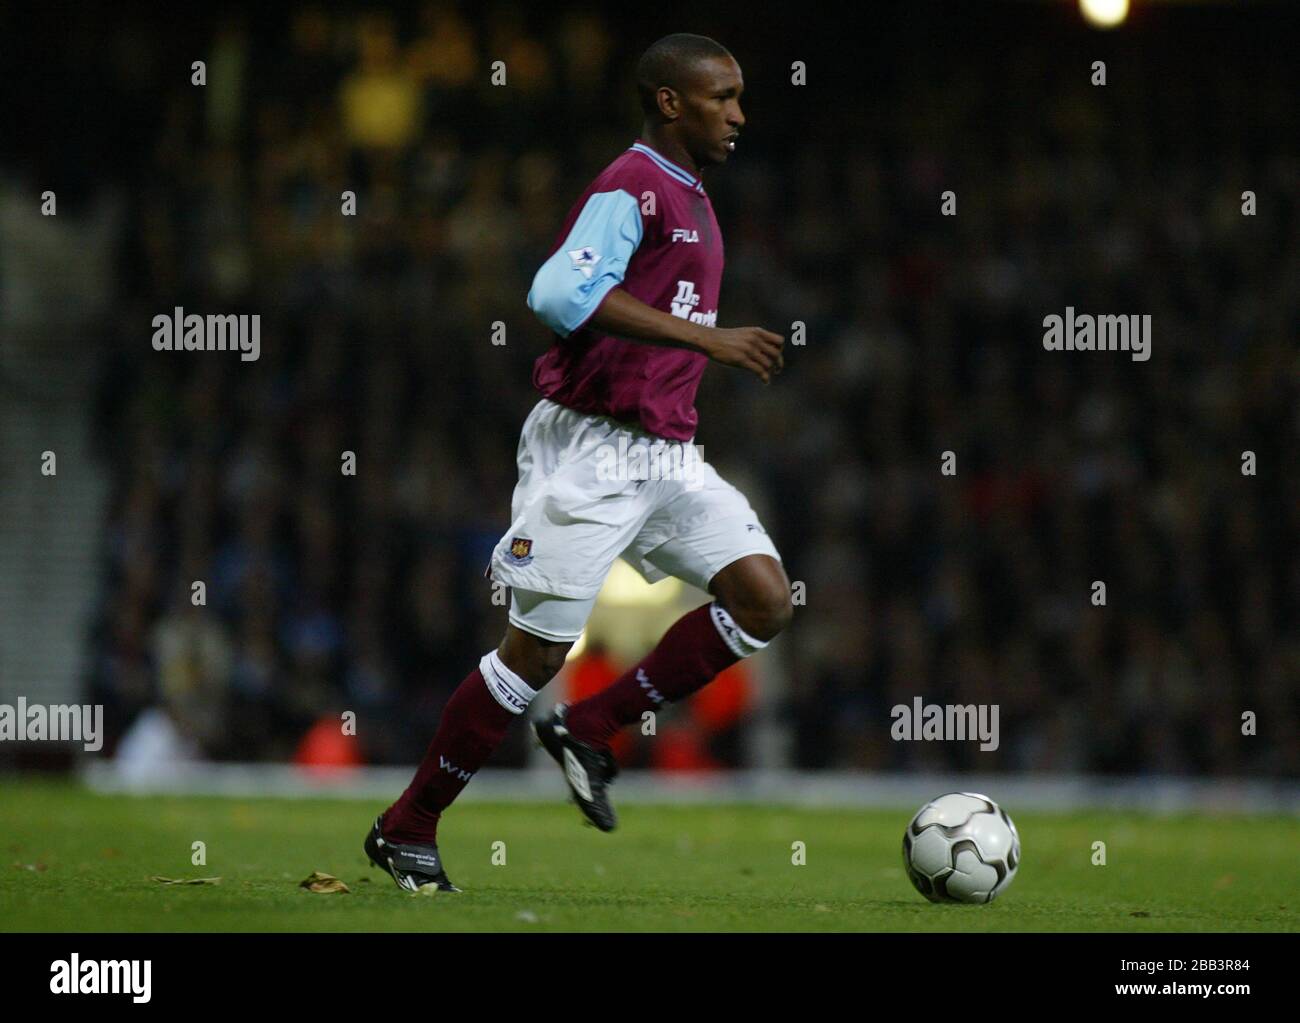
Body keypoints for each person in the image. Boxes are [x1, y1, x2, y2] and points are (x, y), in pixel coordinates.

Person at [364, 32, 791, 893]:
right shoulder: (633, 182)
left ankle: (592, 727)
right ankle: (406, 826)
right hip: (590, 450)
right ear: (670, 101)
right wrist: (708, 338)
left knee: (763, 597)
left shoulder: (695, 197)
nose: (740, 113)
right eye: (723, 96)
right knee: (531, 656)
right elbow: (558, 293)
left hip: (667, 453)